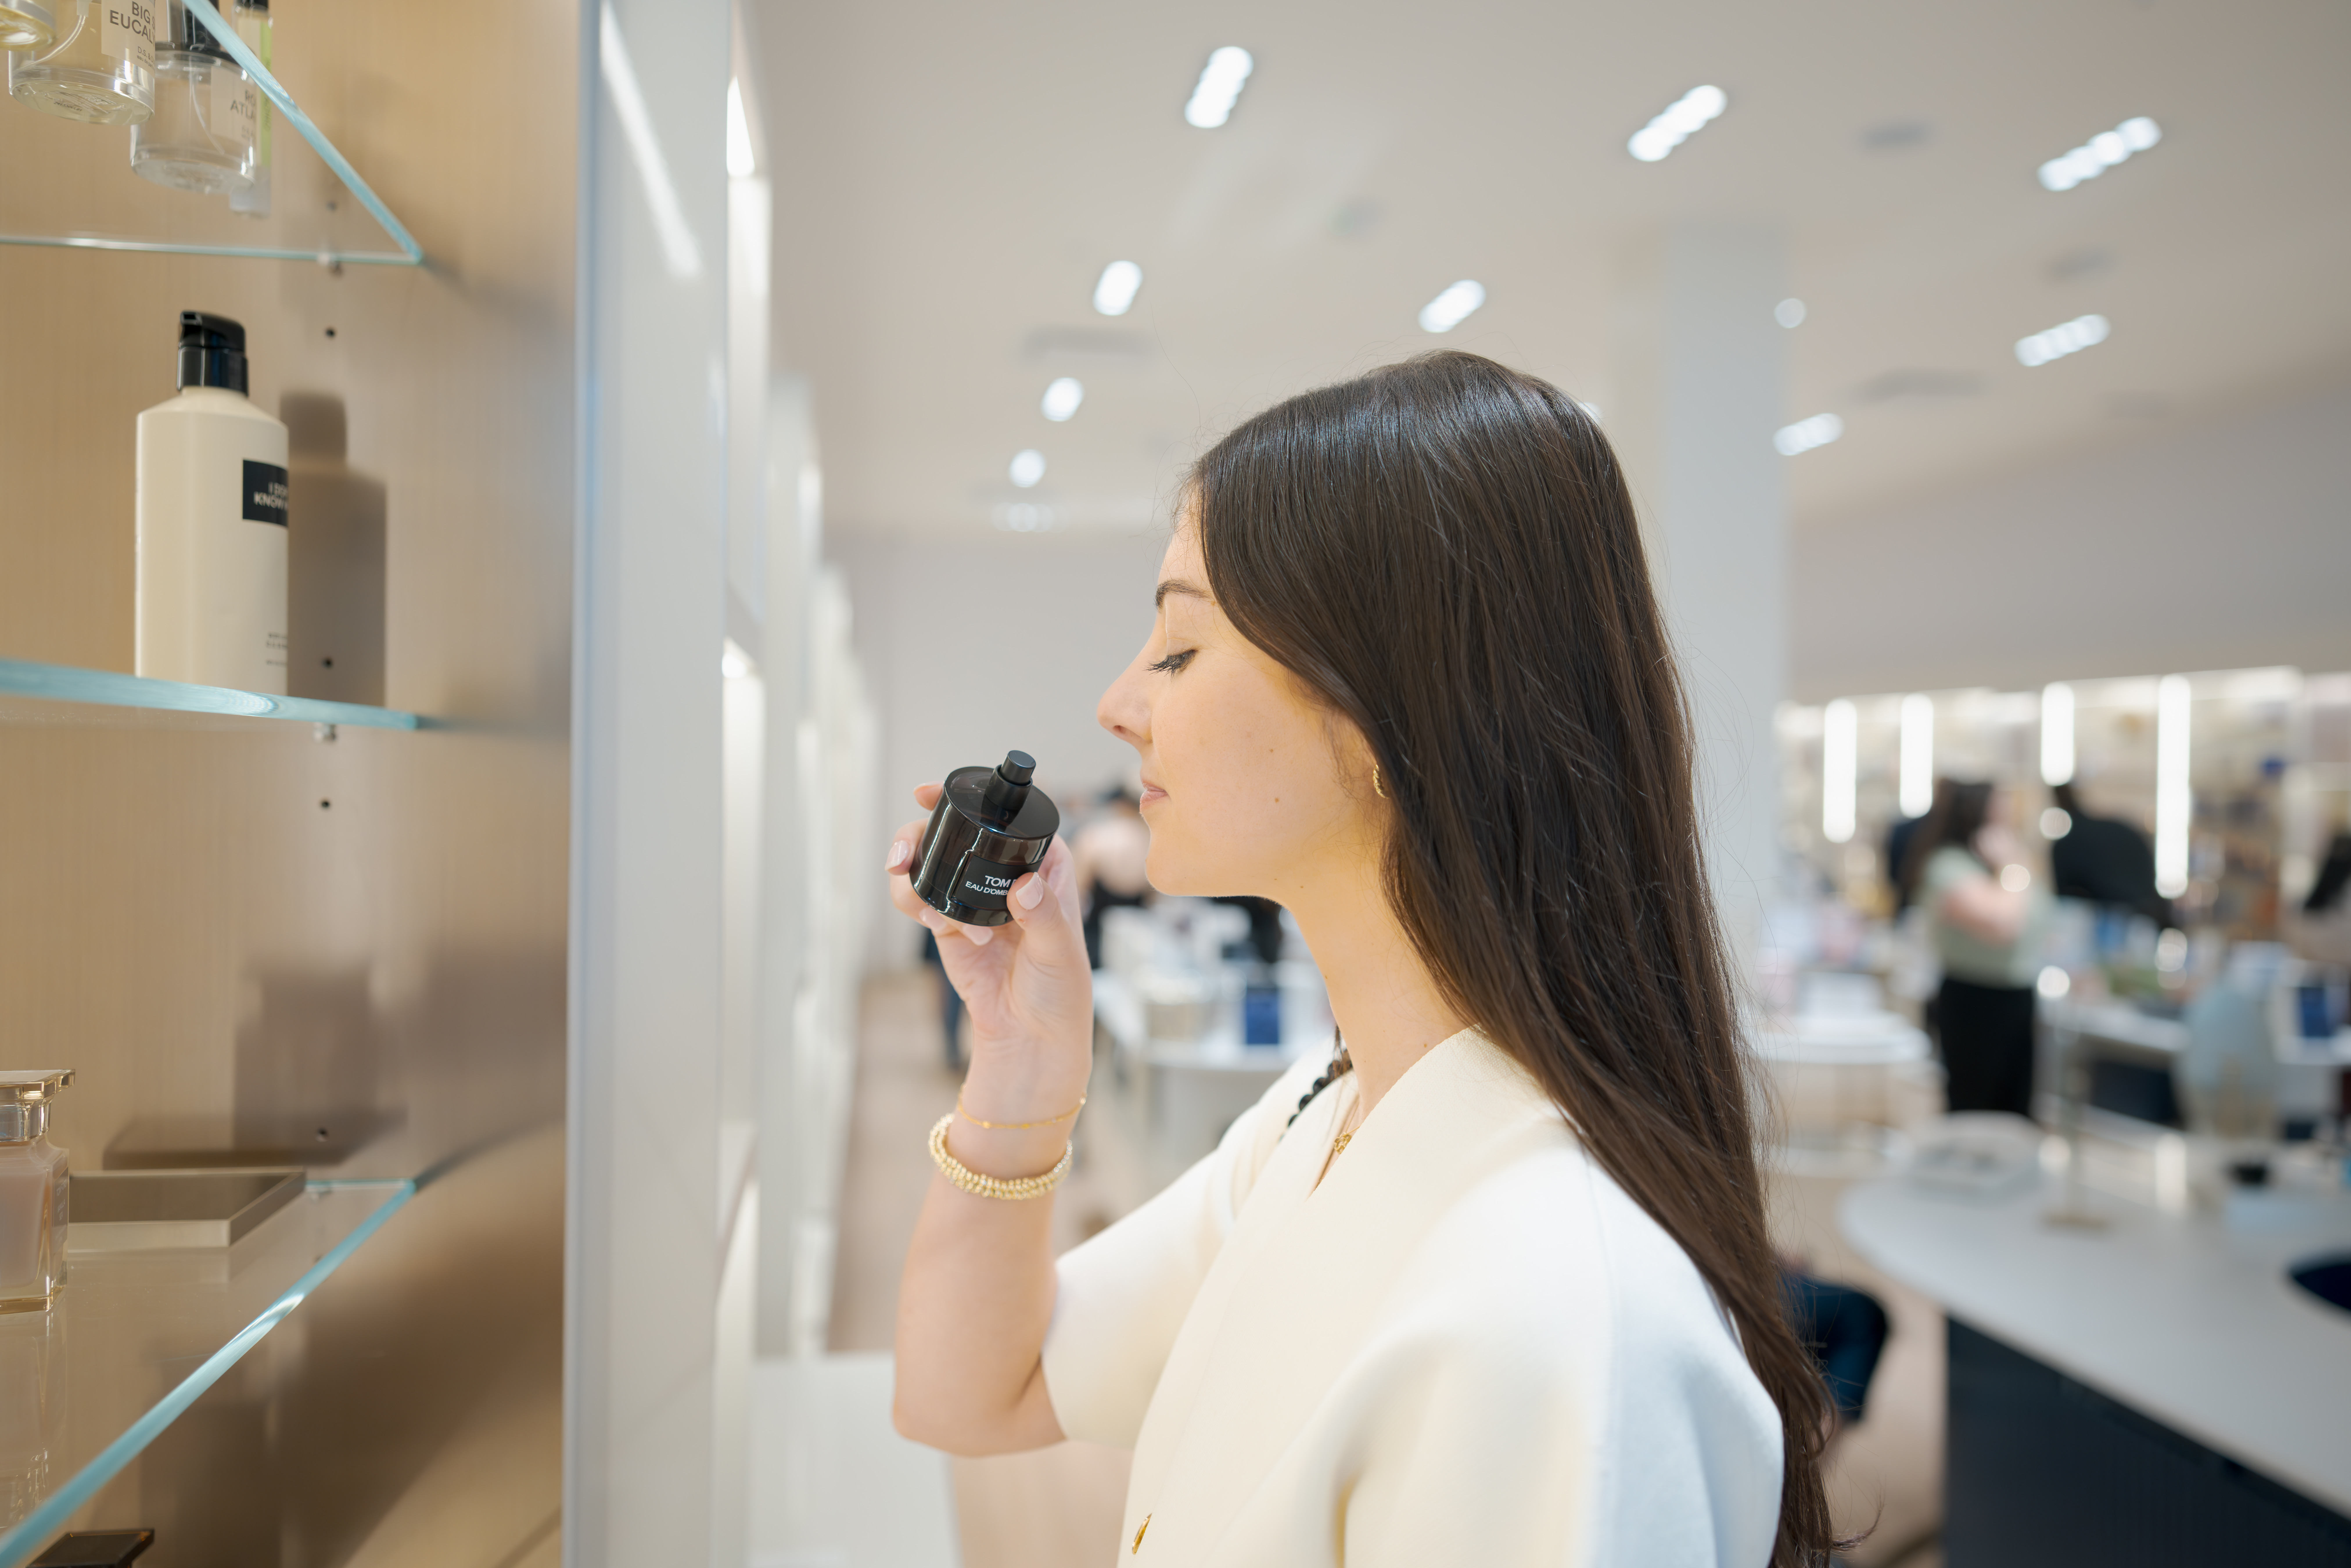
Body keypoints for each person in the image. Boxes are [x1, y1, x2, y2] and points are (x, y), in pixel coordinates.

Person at [882, 353, 1838, 1566]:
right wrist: (1019, 1080)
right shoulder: (1319, 1123)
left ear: (1387, 711)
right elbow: (970, 1392)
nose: (1120, 699)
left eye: (1178, 647)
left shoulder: (1556, 1313)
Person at [1900, 779, 2051, 1118]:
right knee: (1974, 1110)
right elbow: (2004, 925)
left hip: (2017, 996)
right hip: (1973, 999)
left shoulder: (2002, 867)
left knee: (2016, 1113)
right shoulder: (1950, 866)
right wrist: (2010, 865)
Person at [2048, 779, 2171, 928]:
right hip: (2143, 915)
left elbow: (2064, 897)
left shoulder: (2070, 843)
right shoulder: (2115, 829)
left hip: (2119, 919)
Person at [1072, 786, 1153, 969]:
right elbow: (1155, 894)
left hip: (1098, 932)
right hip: (1139, 930)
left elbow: (1080, 889)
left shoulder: (1095, 836)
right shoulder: (1152, 839)